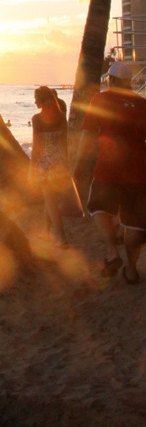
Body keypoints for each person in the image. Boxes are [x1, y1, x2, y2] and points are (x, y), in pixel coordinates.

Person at [75, 62, 146, 283]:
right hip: (139, 172)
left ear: (112, 81)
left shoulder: (101, 99)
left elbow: (87, 134)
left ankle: (112, 252)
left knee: (97, 208)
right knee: (134, 224)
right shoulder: (143, 104)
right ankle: (132, 271)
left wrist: (77, 163)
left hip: (109, 169)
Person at [30, 86, 71, 247]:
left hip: (45, 163)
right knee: (50, 199)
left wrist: (31, 169)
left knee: (51, 201)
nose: (35, 102)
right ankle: (46, 232)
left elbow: (37, 147)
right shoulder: (61, 116)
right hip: (59, 162)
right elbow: (64, 142)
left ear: (43, 100)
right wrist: (66, 163)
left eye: (36, 99)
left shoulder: (36, 119)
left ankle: (61, 238)